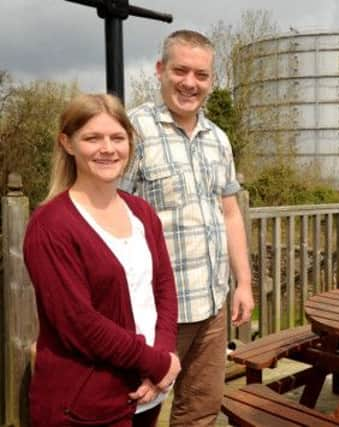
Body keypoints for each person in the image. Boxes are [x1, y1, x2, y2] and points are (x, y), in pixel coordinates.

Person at [120, 30, 254, 426]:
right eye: (181, 70)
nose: (190, 83)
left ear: (212, 80)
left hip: (211, 306)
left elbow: (230, 214)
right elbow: (111, 218)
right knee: (138, 408)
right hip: (156, 311)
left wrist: (242, 283)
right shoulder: (133, 131)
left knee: (199, 411)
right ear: (160, 70)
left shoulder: (218, 139)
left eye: (201, 74)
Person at [23, 93, 181, 427]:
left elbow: (164, 288)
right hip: (84, 406)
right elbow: (79, 324)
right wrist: (155, 364)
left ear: (130, 142)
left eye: (117, 138)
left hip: (146, 394)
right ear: (67, 143)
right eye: (92, 138)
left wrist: (164, 360)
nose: (107, 148)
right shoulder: (51, 225)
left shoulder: (141, 212)